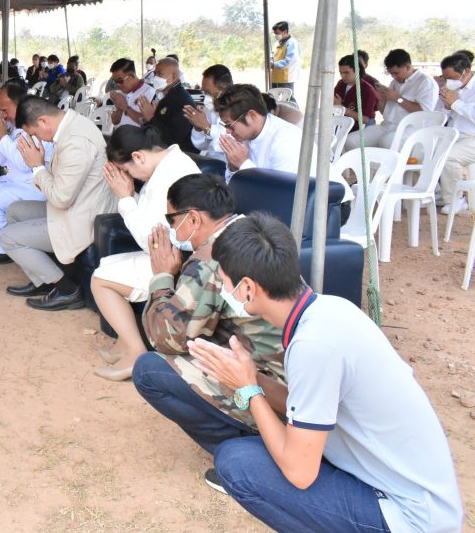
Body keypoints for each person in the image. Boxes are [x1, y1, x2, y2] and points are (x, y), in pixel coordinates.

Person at [187, 214, 463, 533]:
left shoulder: (313, 344)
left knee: (239, 464)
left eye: (224, 281)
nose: (223, 289)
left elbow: (299, 472)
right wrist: (247, 377)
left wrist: (248, 390)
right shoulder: (329, 310)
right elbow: (305, 404)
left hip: (410, 518)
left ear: (247, 287)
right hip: (417, 498)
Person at [131, 177, 287, 432]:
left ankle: (243, 443)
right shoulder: (254, 233)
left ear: (193, 219)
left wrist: (161, 277)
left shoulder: (211, 258)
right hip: (295, 380)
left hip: (267, 386)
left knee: (149, 370)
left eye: (172, 221)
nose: (172, 230)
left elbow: (167, 339)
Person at [91, 125, 201, 379]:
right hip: (173, 251)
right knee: (107, 264)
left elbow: (149, 242)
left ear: (138, 156)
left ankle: (135, 353)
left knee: (101, 281)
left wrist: (125, 196)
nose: (131, 176)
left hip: (179, 260)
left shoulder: (170, 176)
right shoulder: (170, 163)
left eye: (128, 170)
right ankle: (124, 341)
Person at [0, 98, 117, 310]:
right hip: (75, 207)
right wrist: (41, 164)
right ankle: (44, 281)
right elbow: (64, 182)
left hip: (84, 219)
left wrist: (36, 167)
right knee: (15, 211)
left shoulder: (76, 142)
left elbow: (61, 199)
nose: (36, 138)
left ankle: (67, 290)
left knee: (8, 238)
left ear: (43, 121)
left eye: (34, 133)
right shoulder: (70, 126)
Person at [0, 83, 52, 263]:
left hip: (34, 184)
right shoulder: (14, 126)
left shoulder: (34, 125)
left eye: (5, 109)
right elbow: (1, 160)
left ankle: (6, 247)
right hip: (13, 179)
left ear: (20, 104)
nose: (3, 115)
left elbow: (25, 164)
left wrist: (3, 137)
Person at [345, 48, 438, 150]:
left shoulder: (425, 82)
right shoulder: (395, 82)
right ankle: (364, 166)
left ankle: (383, 165)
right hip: (387, 126)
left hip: (410, 129)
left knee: (387, 141)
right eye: (391, 74)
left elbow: (424, 112)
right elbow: (385, 112)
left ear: (407, 67)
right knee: (351, 140)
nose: (393, 77)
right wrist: (381, 100)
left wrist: (398, 99)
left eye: (396, 73)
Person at [214, 84, 302, 181]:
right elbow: (231, 183)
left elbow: (281, 191)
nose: (228, 131)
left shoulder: (286, 140)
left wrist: (242, 163)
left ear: (252, 115)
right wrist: (233, 166)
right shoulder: (245, 135)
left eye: (229, 125)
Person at [438, 52, 475, 215]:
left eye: (453, 77)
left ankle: (456, 199)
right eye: (446, 78)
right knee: (427, 148)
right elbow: (449, 114)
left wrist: (456, 103)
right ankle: (435, 192)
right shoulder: (456, 88)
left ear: (466, 71)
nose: (449, 82)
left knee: (448, 156)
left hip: (472, 138)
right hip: (456, 135)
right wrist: (448, 106)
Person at [140, 56, 195, 152]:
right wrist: (147, 119)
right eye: (155, 73)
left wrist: (151, 118)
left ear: (173, 77)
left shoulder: (183, 101)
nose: (155, 77)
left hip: (178, 154)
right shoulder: (160, 94)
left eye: (160, 74)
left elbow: (173, 138)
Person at [184, 64, 234, 163]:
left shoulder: (239, 110)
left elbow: (231, 141)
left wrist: (206, 126)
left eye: (208, 92)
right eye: (204, 92)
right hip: (211, 162)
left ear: (224, 90)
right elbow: (202, 145)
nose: (206, 98)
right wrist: (198, 127)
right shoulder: (210, 110)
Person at [334, 54, 378, 131]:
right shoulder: (341, 84)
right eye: (341, 73)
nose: (343, 76)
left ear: (357, 71)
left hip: (362, 127)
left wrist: (342, 108)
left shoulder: (368, 89)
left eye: (346, 73)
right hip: (344, 123)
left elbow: (365, 119)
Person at [107, 58, 155, 128]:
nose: (118, 85)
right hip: (119, 135)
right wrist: (119, 108)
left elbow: (149, 122)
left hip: (137, 138)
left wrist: (126, 108)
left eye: (120, 81)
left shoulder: (150, 93)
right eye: (115, 82)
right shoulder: (122, 93)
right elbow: (115, 121)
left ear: (132, 76)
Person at [269, 21, 300, 97]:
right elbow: (272, 56)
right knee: (274, 100)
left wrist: (274, 65)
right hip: (275, 77)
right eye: (275, 33)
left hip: (286, 78)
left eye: (278, 33)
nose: (276, 35)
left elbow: (289, 61)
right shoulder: (277, 43)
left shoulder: (292, 43)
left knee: (289, 100)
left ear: (285, 31)